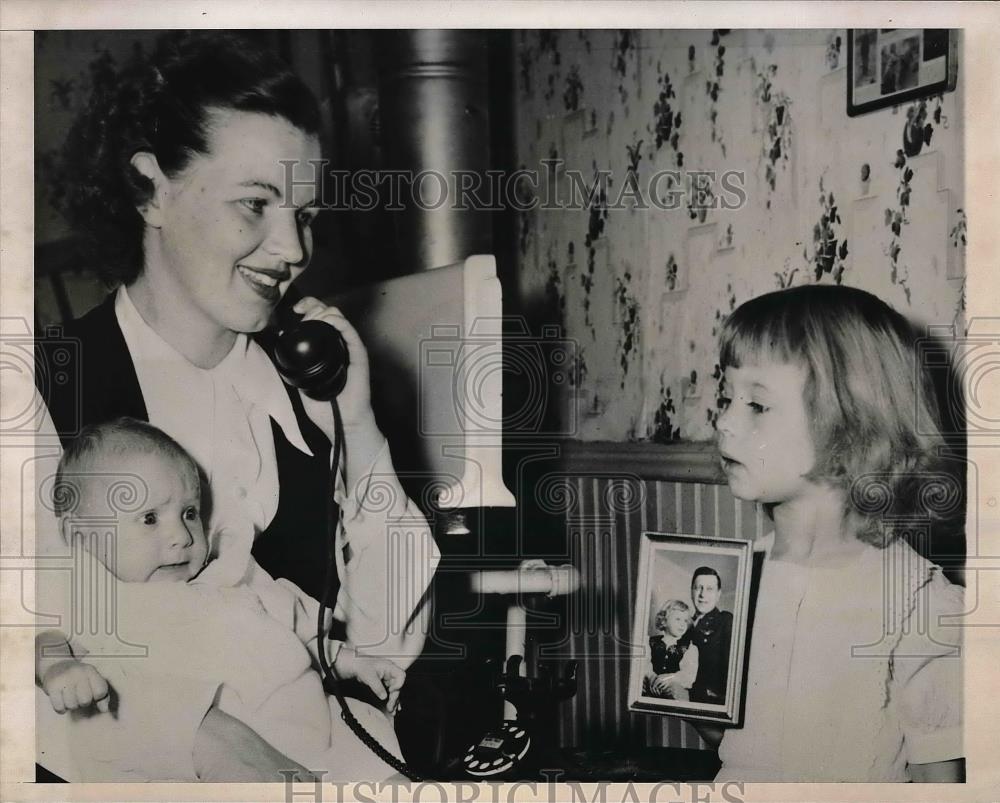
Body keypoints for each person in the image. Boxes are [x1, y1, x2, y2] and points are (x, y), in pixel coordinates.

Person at [34, 32, 439, 781]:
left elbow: (386, 650)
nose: (291, 248)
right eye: (255, 204)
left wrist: (357, 425)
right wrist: (202, 734)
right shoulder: (40, 389)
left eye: (306, 215)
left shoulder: (307, 387)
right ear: (151, 190)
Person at [39, 418, 407, 781]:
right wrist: (59, 669)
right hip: (235, 758)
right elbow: (48, 639)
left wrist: (350, 660)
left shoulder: (229, 579)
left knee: (380, 760)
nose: (181, 536)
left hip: (324, 730)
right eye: (149, 518)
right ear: (83, 537)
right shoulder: (103, 602)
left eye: (189, 513)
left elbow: (298, 626)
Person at [707, 284, 963, 782]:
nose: (723, 421)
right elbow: (730, 742)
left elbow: (941, 781)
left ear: (850, 427)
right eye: (726, 397)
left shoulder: (916, 602)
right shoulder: (735, 582)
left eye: (756, 405)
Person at [680, 567, 733, 704]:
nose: (702, 595)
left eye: (709, 589)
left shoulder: (726, 621)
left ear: (718, 594)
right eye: (698, 588)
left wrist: (689, 694)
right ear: (691, 591)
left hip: (708, 705)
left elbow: (729, 677)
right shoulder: (682, 625)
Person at [644, 599, 699, 700]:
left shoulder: (689, 648)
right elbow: (644, 664)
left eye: (685, 620)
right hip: (651, 688)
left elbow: (688, 675)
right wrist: (652, 678)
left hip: (674, 692)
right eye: (678, 619)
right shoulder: (649, 642)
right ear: (664, 621)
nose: (682, 624)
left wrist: (669, 679)